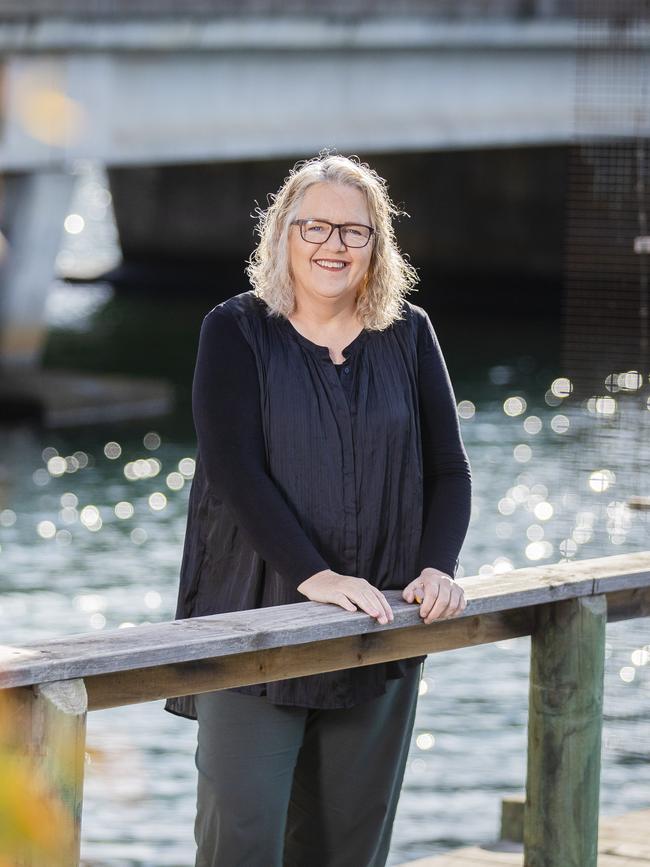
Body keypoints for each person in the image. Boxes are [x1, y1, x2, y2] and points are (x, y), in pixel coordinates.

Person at [164, 152, 472, 867]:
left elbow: (449, 470)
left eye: (353, 232)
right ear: (283, 233)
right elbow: (235, 471)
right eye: (316, 227)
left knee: (347, 851)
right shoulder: (235, 330)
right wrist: (316, 576)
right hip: (255, 631)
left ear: (377, 245)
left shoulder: (410, 333)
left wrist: (437, 565)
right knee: (242, 841)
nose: (334, 245)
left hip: (378, 629)